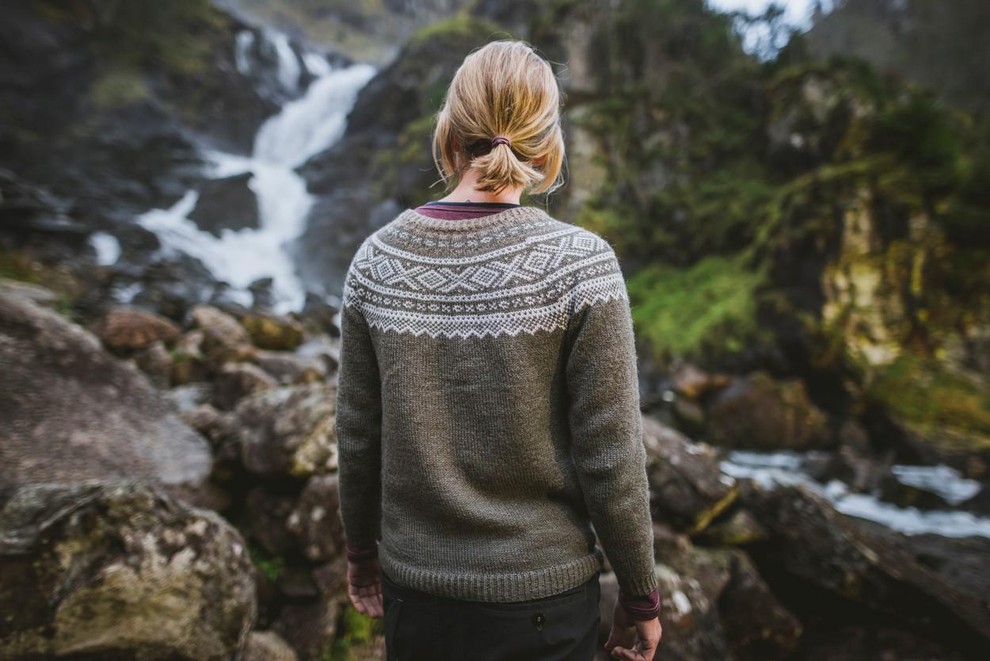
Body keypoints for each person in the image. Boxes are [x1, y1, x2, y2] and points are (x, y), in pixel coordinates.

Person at [335, 39, 663, 661]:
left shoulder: (376, 262)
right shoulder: (583, 265)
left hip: (417, 595)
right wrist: (640, 597)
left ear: (451, 133)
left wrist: (360, 555)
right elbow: (610, 451)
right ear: (547, 142)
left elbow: (357, 433)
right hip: (545, 603)